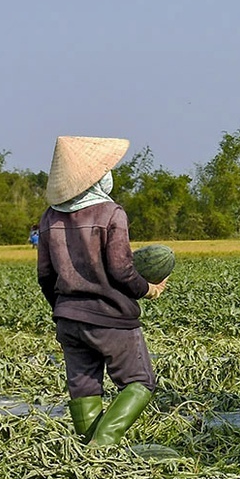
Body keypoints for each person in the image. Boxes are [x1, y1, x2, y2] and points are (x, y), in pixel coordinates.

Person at [35, 136, 167, 447]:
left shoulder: (49, 217)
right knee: (139, 382)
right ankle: (101, 447)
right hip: (110, 318)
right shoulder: (110, 213)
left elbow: (45, 275)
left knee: (84, 388)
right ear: (96, 177)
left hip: (68, 319)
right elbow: (121, 268)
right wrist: (148, 289)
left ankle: (89, 455)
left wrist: (65, 306)